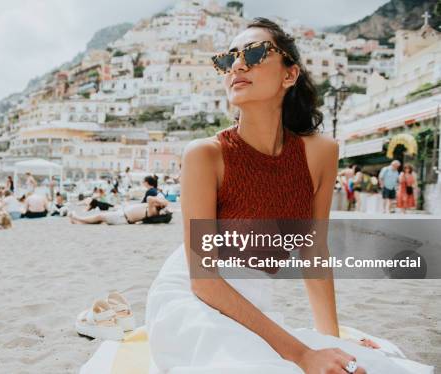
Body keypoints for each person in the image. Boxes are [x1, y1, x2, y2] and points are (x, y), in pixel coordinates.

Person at [145, 18, 410, 374]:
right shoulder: (205, 155)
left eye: (254, 53)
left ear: (290, 74)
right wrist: (302, 353)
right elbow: (203, 279)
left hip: (253, 305)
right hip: (191, 302)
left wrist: (331, 341)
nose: (237, 65)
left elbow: (313, 252)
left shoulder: (321, 152)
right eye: (227, 60)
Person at [69, 195, 169, 225]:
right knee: (100, 220)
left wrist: (160, 201)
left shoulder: (153, 211)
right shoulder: (151, 207)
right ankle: (78, 222)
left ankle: (78, 218)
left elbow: (149, 198)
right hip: (122, 214)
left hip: (123, 218)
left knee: (100, 217)